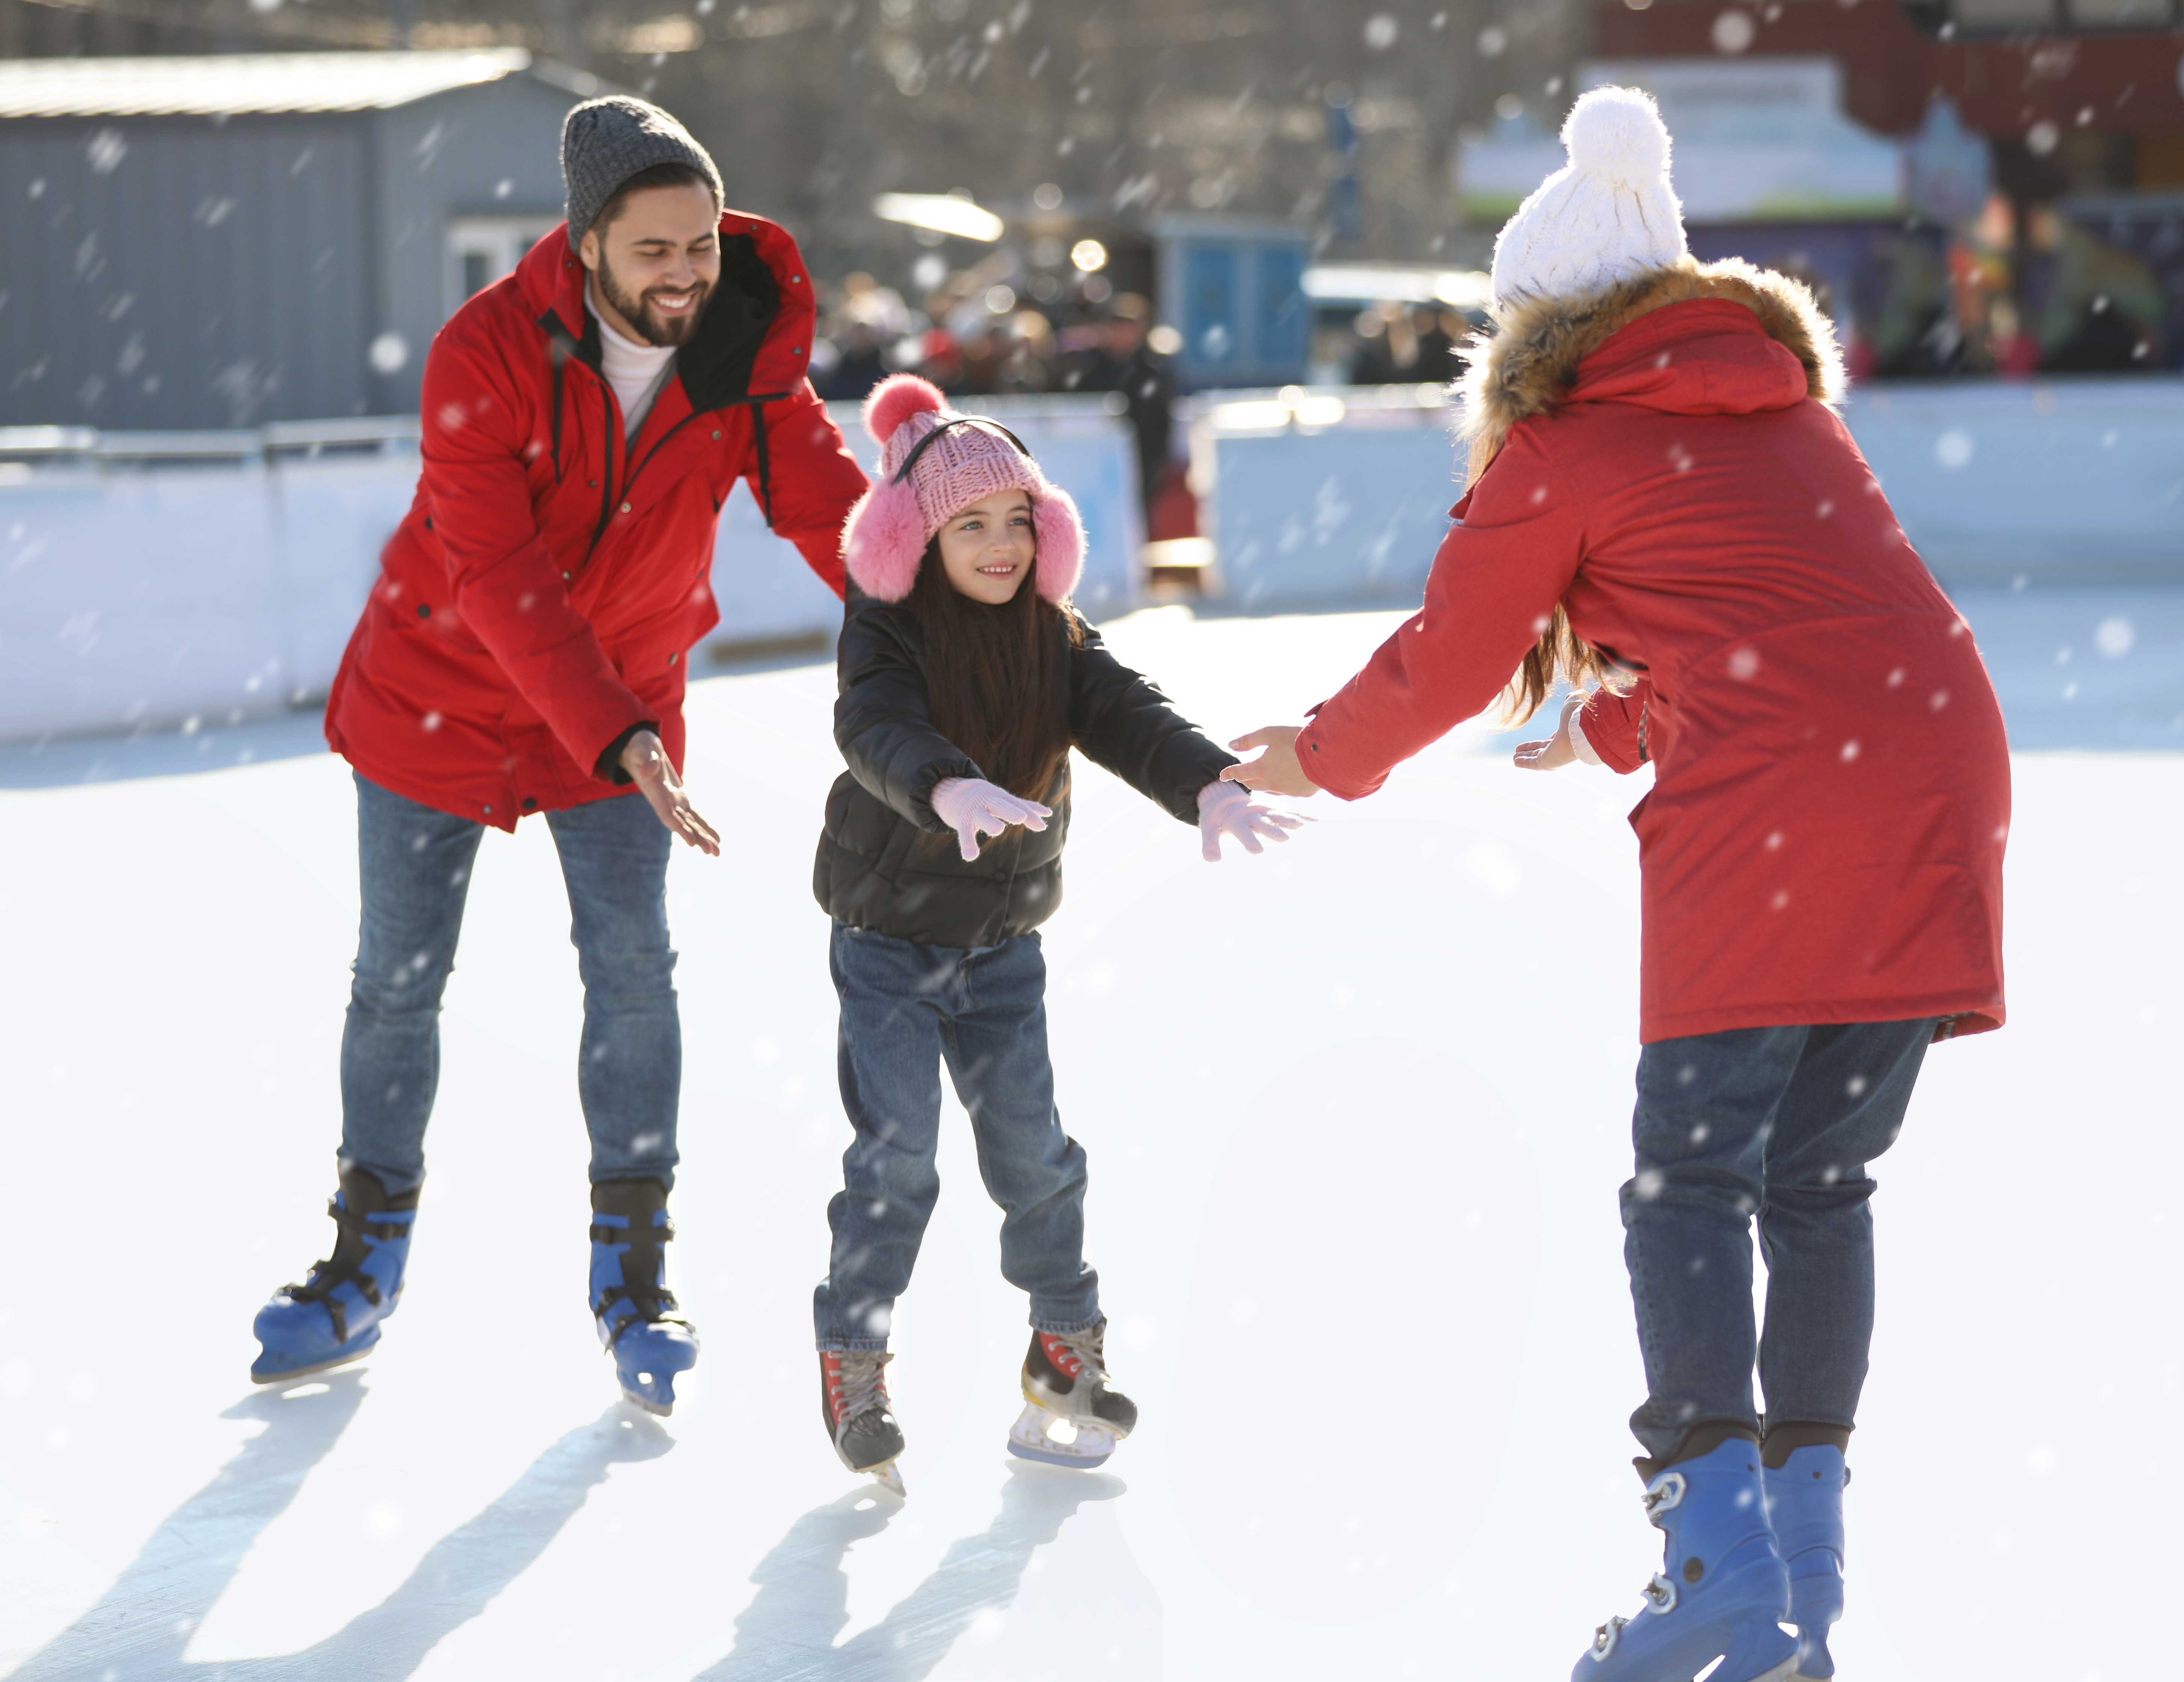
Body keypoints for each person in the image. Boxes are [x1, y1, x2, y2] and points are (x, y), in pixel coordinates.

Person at [1224, 88, 2008, 1682]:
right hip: (1937, 773)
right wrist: (1605, 723)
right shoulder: (1786, 412)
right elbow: (1798, 626)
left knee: (1691, 1180)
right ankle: (1799, 1568)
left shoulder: (1566, 441)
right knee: (1814, 1185)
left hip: (1792, 807)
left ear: (1530, 337)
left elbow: (1450, 656)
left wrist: (1315, 754)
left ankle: (1715, 1567)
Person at [249, 97, 870, 1415]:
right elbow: (499, 574)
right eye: (655, 251)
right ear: (587, 243)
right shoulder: (486, 350)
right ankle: (363, 1258)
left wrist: (946, 606)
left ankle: (634, 1273)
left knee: (633, 975)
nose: (686, 275)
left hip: (624, 700)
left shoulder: (738, 334)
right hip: (442, 692)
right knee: (398, 983)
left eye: (701, 244)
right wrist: (626, 738)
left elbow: (821, 499)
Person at [810, 374, 1299, 1493]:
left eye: (1017, 520)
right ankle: (856, 1357)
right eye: (967, 524)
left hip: (999, 949)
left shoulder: (1054, 636)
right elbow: (871, 726)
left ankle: (1062, 1350)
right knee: (896, 1162)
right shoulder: (885, 632)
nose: (998, 546)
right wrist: (942, 787)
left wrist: (1210, 786)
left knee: (1034, 1156)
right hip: (886, 941)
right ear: (914, 541)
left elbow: (1131, 715)